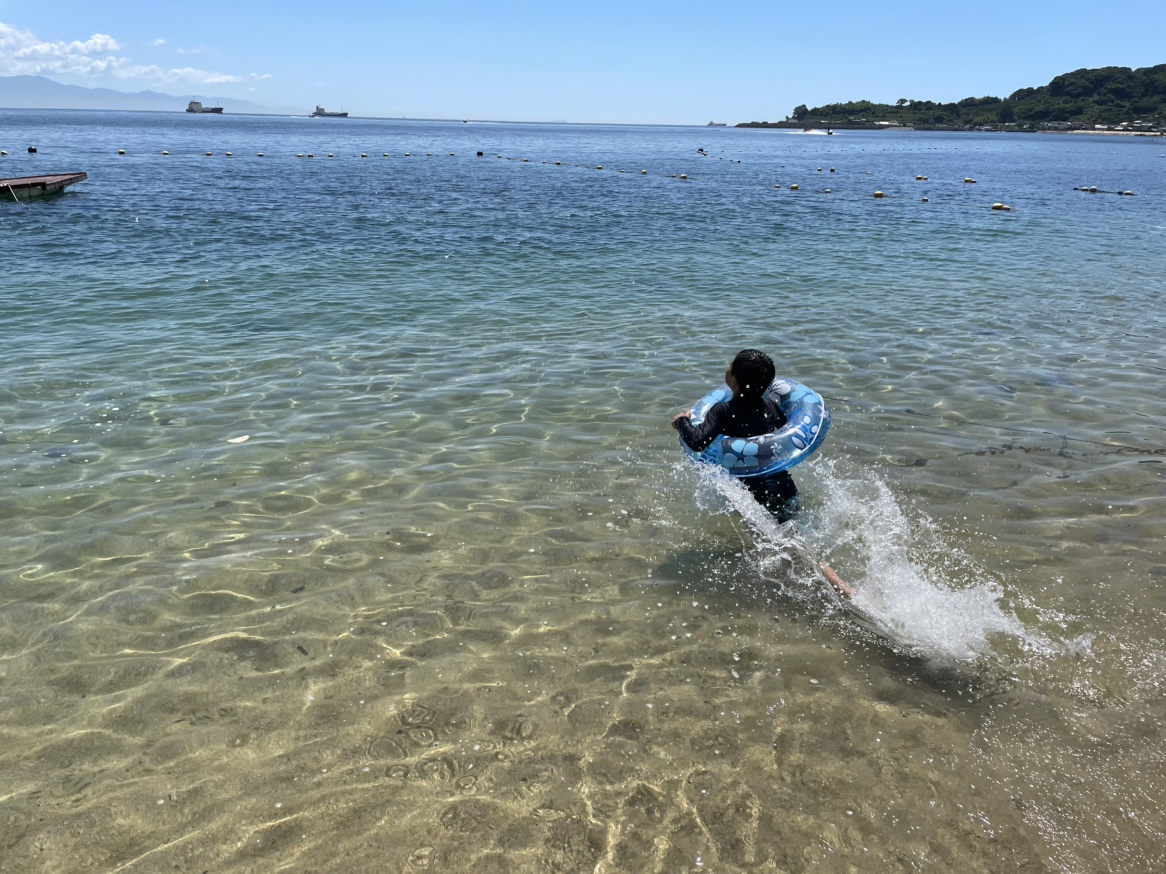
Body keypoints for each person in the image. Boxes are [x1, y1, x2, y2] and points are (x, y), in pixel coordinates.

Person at [672, 349, 853, 600]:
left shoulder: (722, 410)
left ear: (734, 379)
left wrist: (682, 422)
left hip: (755, 492)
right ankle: (817, 580)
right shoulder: (771, 406)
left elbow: (698, 441)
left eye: (731, 364)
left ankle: (841, 588)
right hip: (783, 485)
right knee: (792, 535)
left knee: (793, 545)